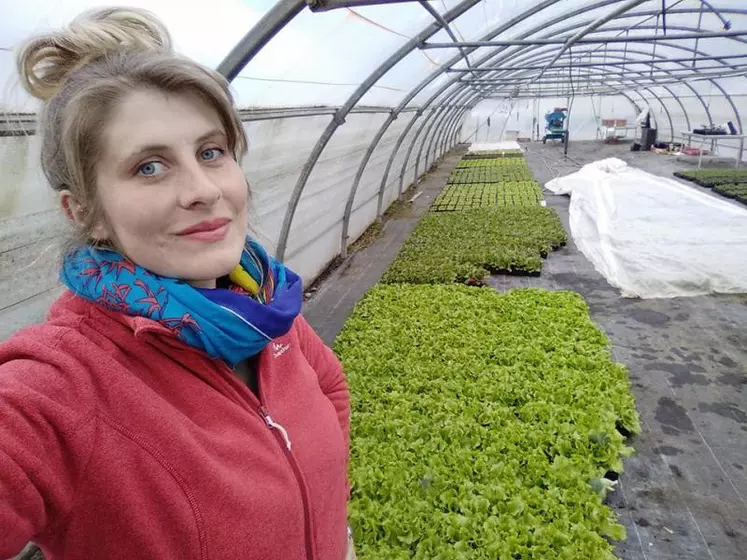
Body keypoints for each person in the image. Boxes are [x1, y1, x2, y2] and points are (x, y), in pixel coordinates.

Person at [0, 7, 354, 560]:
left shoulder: (258, 306)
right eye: (149, 167)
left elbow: (329, 388)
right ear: (85, 212)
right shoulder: (63, 385)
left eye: (211, 152)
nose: (202, 189)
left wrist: (332, 526)